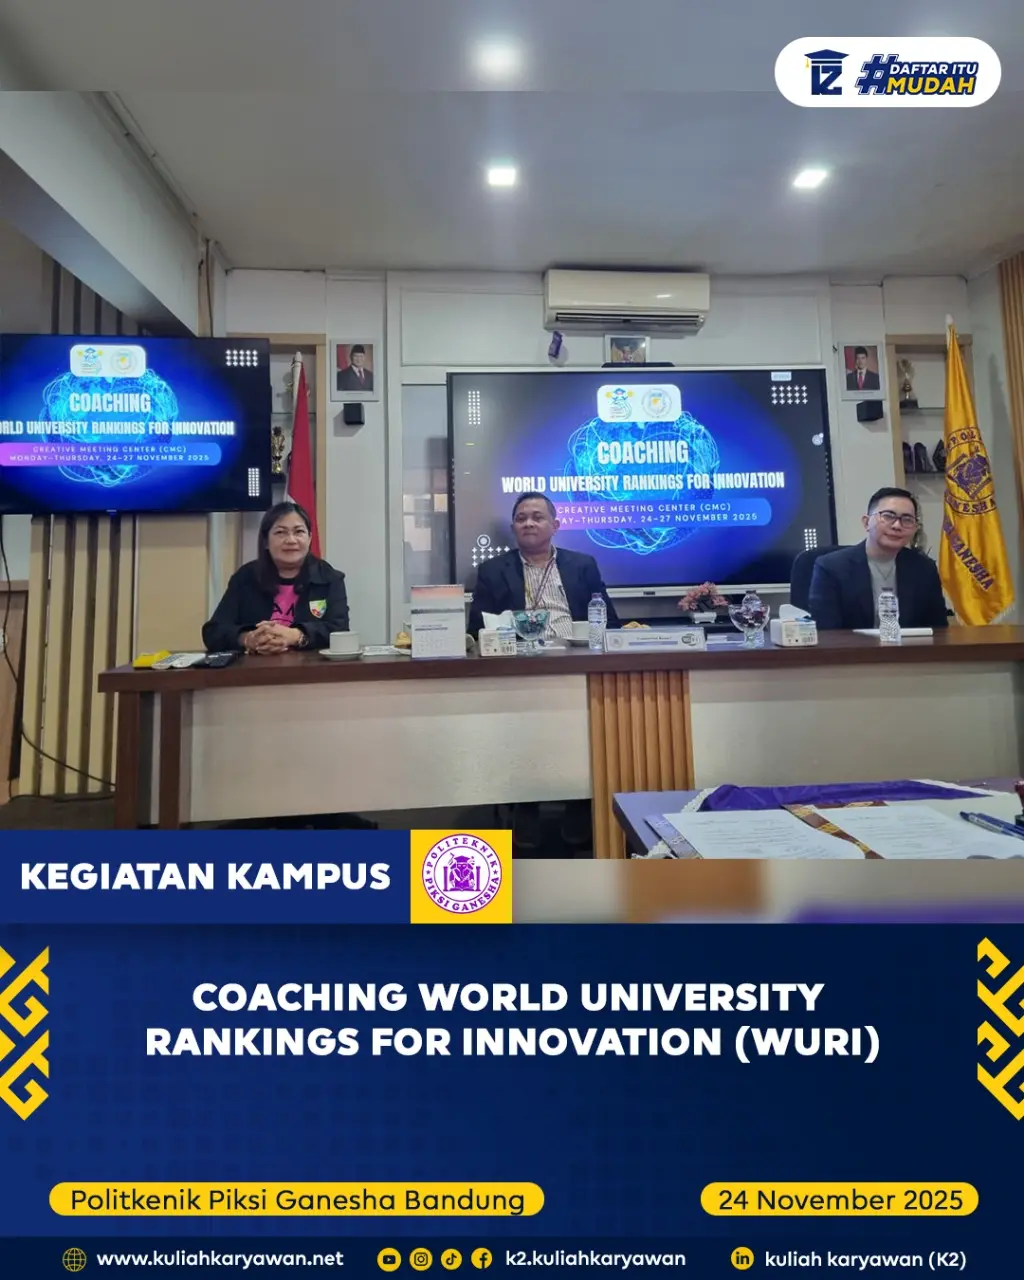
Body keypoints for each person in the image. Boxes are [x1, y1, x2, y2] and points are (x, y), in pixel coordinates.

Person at [467, 492, 619, 639]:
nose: (528, 524)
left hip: (576, 651)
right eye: (521, 519)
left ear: (555, 526)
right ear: (513, 529)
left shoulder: (582, 565)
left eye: (537, 518)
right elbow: (477, 631)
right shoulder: (493, 571)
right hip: (522, 653)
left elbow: (609, 624)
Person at [202, 501, 349, 653]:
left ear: (310, 538)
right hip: (255, 665)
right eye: (280, 532)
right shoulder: (245, 577)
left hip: (309, 666)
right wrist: (248, 639)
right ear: (265, 541)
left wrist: (295, 635)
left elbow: (340, 629)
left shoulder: (329, 578)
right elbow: (214, 631)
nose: (291, 540)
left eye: (299, 532)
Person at [807, 487, 948, 631]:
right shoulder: (831, 568)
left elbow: (938, 630)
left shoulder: (924, 569)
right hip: (852, 646)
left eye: (907, 519)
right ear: (866, 522)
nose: (897, 525)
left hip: (910, 646)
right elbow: (827, 632)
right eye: (888, 516)